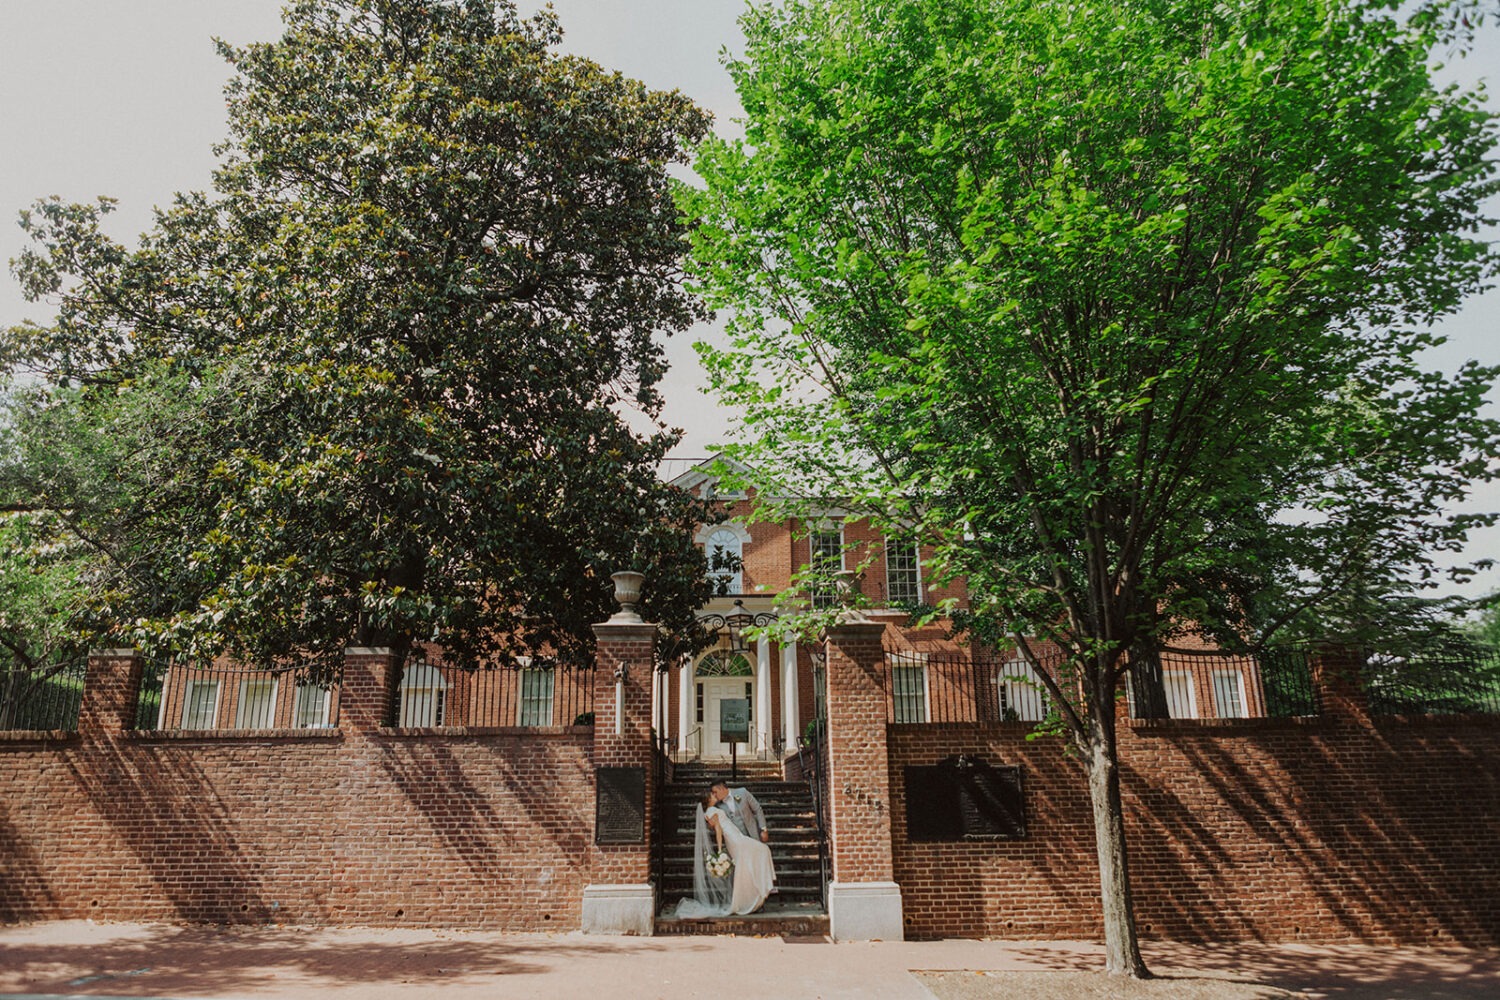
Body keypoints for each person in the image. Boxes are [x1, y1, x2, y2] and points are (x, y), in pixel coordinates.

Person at [677, 785, 776, 917]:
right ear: (708, 799)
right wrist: (719, 849)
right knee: (763, 850)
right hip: (734, 839)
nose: (715, 795)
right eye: (712, 794)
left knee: (747, 866)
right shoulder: (712, 810)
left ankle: (752, 897)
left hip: (736, 837)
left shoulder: (710, 811)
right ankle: (753, 894)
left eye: (714, 793)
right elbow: (718, 830)